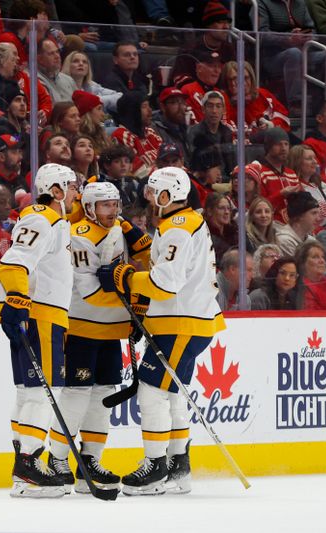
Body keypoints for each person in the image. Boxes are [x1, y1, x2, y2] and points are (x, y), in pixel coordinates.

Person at [96, 166, 225, 496]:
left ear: (169, 195)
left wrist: (125, 278)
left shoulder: (178, 227)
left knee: (152, 392)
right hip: (183, 321)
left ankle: (155, 468)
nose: (149, 198)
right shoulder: (179, 223)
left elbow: (165, 284)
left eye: (154, 192)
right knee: (172, 393)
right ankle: (178, 467)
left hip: (181, 323)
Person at [46, 182, 145, 494]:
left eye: (115, 205)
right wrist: (130, 295)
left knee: (103, 393)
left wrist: (134, 308)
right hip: (82, 328)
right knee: (77, 393)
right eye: (105, 206)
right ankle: (57, 458)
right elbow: (90, 293)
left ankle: (91, 459)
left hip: (111, 329)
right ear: (89, 208)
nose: (112, 211)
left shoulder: (119, 228)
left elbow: (142, 260)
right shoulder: (79, 236)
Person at [0, 163, 78, 498]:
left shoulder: (55, 219)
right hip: (38, 314)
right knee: (43, 391)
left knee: (28, 392)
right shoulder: (43, 217)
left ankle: (23, 467)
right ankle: (28, 464)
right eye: (70, 186)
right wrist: (16, 301)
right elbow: (14, 261)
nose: (75, 193)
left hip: (36, 312)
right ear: (55, 190)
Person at [219, 60, 290, 137]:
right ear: (228, 82)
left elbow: (284, 117)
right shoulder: (222, 101)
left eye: (246, 78)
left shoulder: (263, 94)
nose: (243, 82)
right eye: (236, 79)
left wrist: (271, 125)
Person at [247, 127, 300, 224]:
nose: (283, 148)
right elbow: (257, 207)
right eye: (278, 144)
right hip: (270, 226)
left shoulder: (291, 173)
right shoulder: (258, 172)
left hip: (294, 226)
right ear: (268, 147)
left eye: (286, 144)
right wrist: (281, 195)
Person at [112, 91, 163, 179]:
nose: (150, 110)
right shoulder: (122, 135)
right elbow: (138, 171)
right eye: (144, 106)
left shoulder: (150, 132)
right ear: (132, 111)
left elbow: (170, 157)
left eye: (149, 105)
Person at [287, 144, 326, 231]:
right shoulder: (294, 188)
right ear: (297, 162)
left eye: (314, 158)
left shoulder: (322, 185)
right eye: (309, 159)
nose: (315, 162)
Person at [186, 90, 234, 177]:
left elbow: (230, 163)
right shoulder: (193, 133)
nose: (214, 111)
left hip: (225, 180)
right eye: (210, 106)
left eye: (218, 106)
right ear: (203, 109)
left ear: (223, 110)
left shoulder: (227, 132)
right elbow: (192, 164)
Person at [181, 50, 223, 125]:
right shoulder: (188, 90)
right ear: (199, 68)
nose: (217, 70)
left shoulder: (222, 94)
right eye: (212, 66)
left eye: (219, 66)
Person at [275, 191, 319, 256]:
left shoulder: (312, 241)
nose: (318, 218)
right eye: (314, 213)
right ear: (300, 215)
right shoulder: (284, 241)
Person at [151, 87, 189, 160]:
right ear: (163, 107)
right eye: (174, 102)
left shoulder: (186, 128)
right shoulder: (154, 130)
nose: (181, 107)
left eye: (183, 102)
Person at [37, 38, 77, 103]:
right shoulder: (33, 80)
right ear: (39, 59)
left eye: (57, 52)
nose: (57, 56)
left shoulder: (69, 80)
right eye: (51, 53)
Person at [71, 90, 110, 156]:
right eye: (99, 109)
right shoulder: (77, 137)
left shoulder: (100, 133)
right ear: (88, 113)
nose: (103, 114)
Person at [204, 192, 238, 265]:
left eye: (228, 208)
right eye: (221, 208)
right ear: (209, 211)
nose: (227, 212)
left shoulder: (235, 232)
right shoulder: (204, 235)